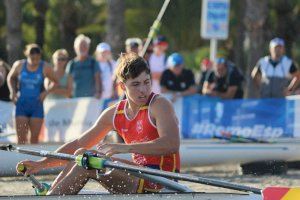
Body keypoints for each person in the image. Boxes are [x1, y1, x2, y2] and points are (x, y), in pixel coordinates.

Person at [17, 53, 180, 195]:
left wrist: (125, 147)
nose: (143, 90)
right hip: (139, 176)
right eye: (136, 84)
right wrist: (41, 164)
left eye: (147, 82)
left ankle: (53, 195)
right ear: (123, 86)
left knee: (85, 161)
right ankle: (53, 192)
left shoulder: (159, 104)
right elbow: (79, 144)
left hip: (164, 181)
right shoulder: (114, 113)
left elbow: (171, 144)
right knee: (81, 152)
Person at [7, 44, 58, 144]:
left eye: (37, 58)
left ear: (40, 56)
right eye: (32, 58)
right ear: (27, 55)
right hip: (22, 104)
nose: (35, 61)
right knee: (21, 140)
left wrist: (46, 92)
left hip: (37, 104)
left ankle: (32, 160)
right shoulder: (20, 65)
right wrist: (12, 92)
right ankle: (20, 159)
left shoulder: (45, 67)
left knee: (34, 140)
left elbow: (56, 81)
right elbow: (10, 78)